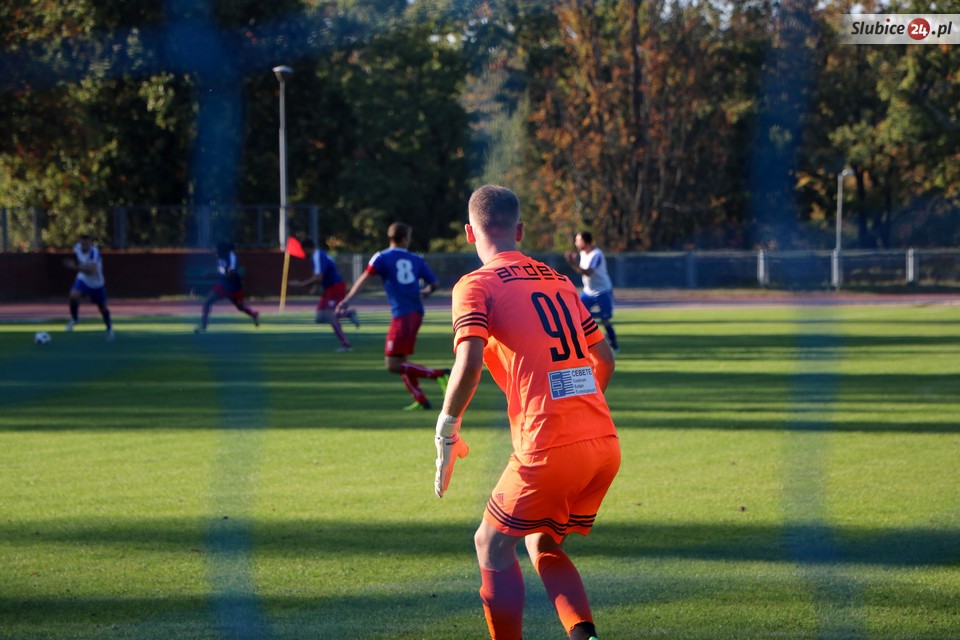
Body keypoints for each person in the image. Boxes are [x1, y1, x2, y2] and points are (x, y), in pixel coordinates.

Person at [434, 185, 619, 640]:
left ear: (469, 233)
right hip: (603, 442)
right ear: (519, 230)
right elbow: (605, 360)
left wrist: (446, 430)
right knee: (542, 540)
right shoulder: (559, 281)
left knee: (490, 544)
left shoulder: (475, 284)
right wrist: (577, 410)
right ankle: (584, 635)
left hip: (547, 446)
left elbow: (469, 363)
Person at [335, 222, 449, 411]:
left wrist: (347, 300)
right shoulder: (416, 258)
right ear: (404, 239)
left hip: (403, 314)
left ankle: (439, 374)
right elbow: (434, 283)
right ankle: (421, 399)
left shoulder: (382, 257)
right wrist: (426, 292)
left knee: (392, 365)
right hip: (416, 312)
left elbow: (364, 279)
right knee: (401, 361)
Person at [288, 238, 360, 352]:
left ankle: (346, 341)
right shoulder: (318, 256)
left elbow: (319, 277)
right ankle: (347, 316)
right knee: (321, 316)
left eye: (303, 250)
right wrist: (314, 288)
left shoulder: (317, 256)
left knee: (331, 316)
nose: (303, 253)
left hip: (335, 287)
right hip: (331, 288)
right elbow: (320, 276)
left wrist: (301, 284)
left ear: (306, 248)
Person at [564, 231, 619, 353]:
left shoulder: (596, 254)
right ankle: (581, 346)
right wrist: (573, 263)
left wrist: (573, 262)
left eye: (578, 240)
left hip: (602, 291)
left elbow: (589, 272)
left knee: (605, 319)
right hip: (588, 292)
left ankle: (614, 345)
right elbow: (582, 271)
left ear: (585, 241)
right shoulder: (582, 253)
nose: (576, 243)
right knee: (575, 315)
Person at [195, 241, 260, 333]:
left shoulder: (232, 257)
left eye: (218, 250)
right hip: (223, 285)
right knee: (207, 302)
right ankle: (203, 326)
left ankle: (253, 314)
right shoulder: (220, 258)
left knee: (240, 307)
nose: (216, 252)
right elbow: (222, 272)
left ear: (223, 250)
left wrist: (212, 274)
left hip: (234, 286)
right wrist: (213, 274)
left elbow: (231, 274)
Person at [63, 234, 115, 341]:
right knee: (73, 295)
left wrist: (74, 267)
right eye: (83, 243)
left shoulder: (94, 252)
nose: (85, 246)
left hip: (96, 283)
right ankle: (75, 319)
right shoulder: (77, 248)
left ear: (90, 243)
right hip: (83, 280)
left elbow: (91, 270)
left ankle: (109, 328)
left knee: (102, 307)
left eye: (87, 243)